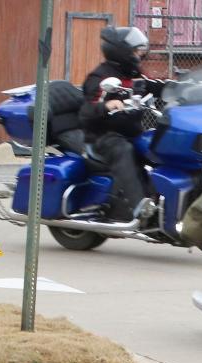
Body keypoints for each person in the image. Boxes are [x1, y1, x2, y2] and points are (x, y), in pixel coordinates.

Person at [79, 26, 164, 222]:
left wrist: (185, 87)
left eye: (140, 51)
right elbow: (86, 112)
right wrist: (107, 106)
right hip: (103, 137)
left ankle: (162, 202)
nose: (140, 55)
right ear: (122, 52)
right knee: (123, 150)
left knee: (157, 147)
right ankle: (139, 207)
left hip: (132, 133)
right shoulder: (100, 77)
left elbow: (155, 85)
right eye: (136, 51)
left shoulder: (133, 73)